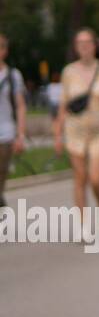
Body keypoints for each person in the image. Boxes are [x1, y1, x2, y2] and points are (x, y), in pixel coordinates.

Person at [52, 28, 99, 227]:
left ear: (94, 45)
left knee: (95, 178)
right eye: (79, 43)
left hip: (98, 133)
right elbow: (63, 105)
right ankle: (82, 224)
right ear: (76, 47)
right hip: (74, 131)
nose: (83, 47)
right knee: (79, 178)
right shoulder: (68, 72)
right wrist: (57, 134)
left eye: (87, 42)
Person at [0, 33, 29, 208]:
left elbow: (20, 106)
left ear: (5, 51)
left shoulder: (13, 75)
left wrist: (21, 135)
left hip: (5, 133)